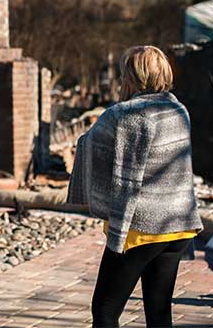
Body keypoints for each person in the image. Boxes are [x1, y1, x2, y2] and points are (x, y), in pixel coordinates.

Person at [67, 45, 203, 328]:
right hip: (178, 224)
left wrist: (116, 225)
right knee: (159, 314)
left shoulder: (124, 115)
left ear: (130, 76)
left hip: (142, 229)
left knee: (105, 311)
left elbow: (91, 148)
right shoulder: (179, 109)